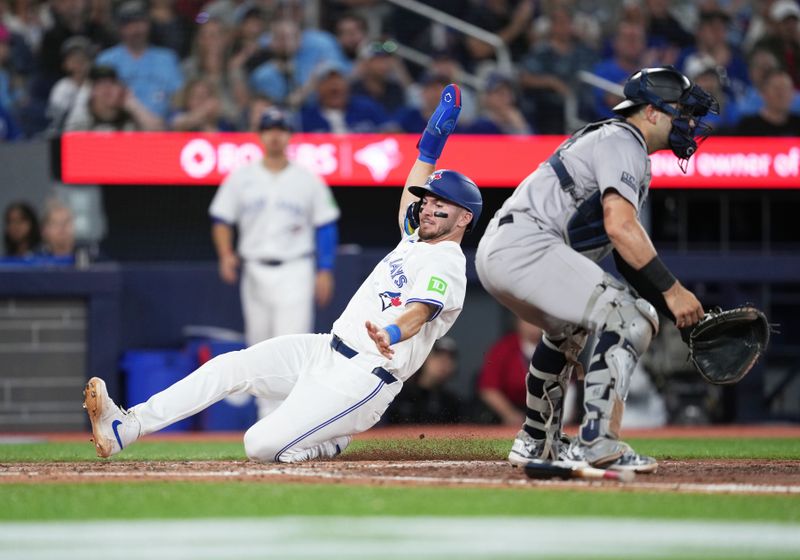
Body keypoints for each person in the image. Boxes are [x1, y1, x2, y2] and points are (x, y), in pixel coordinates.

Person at [83, 84, 483, 462]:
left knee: (258, 444)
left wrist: (392, 332)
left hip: (366, 376)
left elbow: (419, 312)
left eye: (441, 205)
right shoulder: (414, 238)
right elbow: (415, 184)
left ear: (465, 216)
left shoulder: (446, 262)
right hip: (326, 349)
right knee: (229, 367)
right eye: (428, 201)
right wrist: (434, 137)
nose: (428, 208)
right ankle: (128, 426)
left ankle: (331, 442)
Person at [475, 66, 718, 473]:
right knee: (630, 317)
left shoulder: (620, 144)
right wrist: (672, 293)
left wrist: (674, 307)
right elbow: (620, 228)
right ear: (652, 112)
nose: (689, 122)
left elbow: (627, 258)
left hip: (508, 249)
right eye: (681, 111)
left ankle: (537, 440)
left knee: (570, 330)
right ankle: (598, 442)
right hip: (528, 246)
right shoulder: (624, 138)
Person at [209, 107, 339, 354]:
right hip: (254, 269)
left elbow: (326, 225)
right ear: (259, 135)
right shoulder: (241, 177)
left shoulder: (308, 178)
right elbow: (221, 218)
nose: (275, 136)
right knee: (257, 347)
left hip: (295, 269)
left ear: (289, 135)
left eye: (280, 129)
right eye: (269, 130)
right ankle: (261, 395)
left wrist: (325, 269)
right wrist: (225, 254)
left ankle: (288, 395)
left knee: (290, 347)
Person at [476, 318, 542, 426]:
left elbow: (568, 387)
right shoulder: (504, 347)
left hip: (544, 411)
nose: (532, 326)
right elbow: (488, 388)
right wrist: (510, 414)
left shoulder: (554, 349)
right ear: (518, 323)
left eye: (537, 321)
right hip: (509, 409)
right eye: (527, 320)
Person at [384, 337, 463, 424]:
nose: (444, 362)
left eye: (450, 358)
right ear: (424, 357)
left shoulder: (452, 403)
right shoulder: (398, 393)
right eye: (438, 355)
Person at [733, 69, 800, 136]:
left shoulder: (797, 124)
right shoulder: (747, 126)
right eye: (776, 89)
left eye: (786, 88)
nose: (782, 94)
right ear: (763, 93)